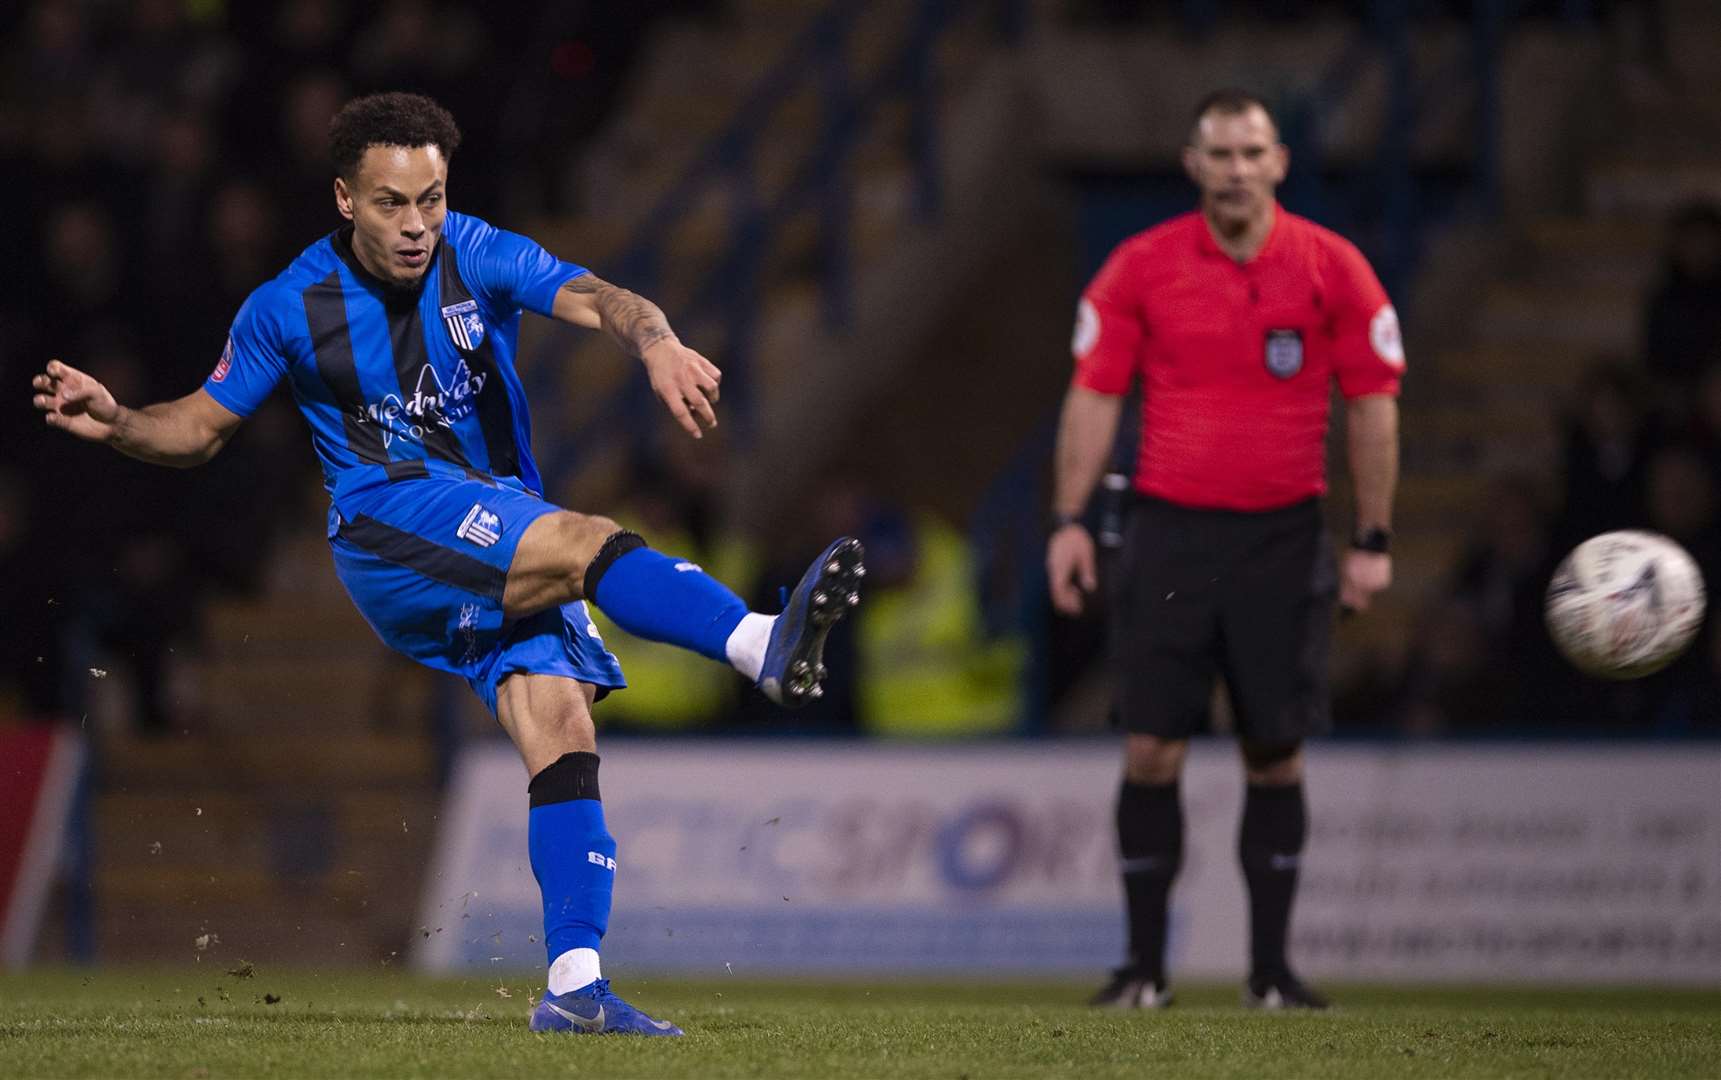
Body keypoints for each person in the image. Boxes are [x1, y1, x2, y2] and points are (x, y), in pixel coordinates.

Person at [30, 92, 864, 1036]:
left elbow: (601, 297)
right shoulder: (287, 306)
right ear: (344, 199)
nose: (418, 223)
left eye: (431, 197)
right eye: (392, 202)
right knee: (587, 540)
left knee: (561, 728)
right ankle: (761, 644)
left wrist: (658, 342)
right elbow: (198, 429)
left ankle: (575, 988)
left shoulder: (476, 250)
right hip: (389, 528)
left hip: (492, 521)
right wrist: (121, 422)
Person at [1045, 89, 1402, 1011]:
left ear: (1279, 161)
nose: (1236, 169)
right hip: (1167, 536)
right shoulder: (1141, 266)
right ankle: (1140, 971)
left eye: (1252, 152)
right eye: (1220, 153)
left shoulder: (1333, 268)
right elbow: (1094, 394)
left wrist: (1370, 537)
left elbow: (1372, 404)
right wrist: (1070, 520)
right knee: (1151, 750)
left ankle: (1272, 974)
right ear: (1191, 164)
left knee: (1273, 755)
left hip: (1285, 538)